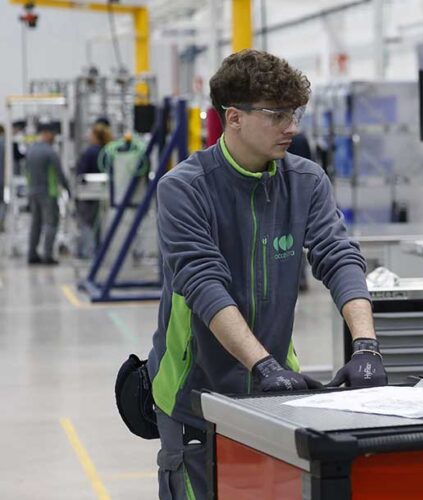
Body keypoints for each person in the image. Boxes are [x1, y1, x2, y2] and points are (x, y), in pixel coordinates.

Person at [146, 49, 387, 500]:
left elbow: (338, 256)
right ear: (233, 118)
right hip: (194, 394)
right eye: (277, 115)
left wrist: (366, 345)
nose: (292, 127)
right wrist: (262, 365)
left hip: (277, 390)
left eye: (294, 113)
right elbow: (203, 283)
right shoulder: (184, 188)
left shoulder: (306, 181)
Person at [24, 123, 70, 265]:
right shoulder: (50, 152)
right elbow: (59, 172)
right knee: (51, 224)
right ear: (47, 134)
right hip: (48, 192)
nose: (54, 137)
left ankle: (32, 254)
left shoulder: (30, 151)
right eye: (53, 134)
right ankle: (47, 255)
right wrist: (68, 188)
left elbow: (26, 172)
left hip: (32, 192)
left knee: (35, 224)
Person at [74, 122, 112, 257]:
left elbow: (81, 172)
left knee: (86, 224)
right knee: (98, 224)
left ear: (96, 135)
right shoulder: (107, 151)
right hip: (103, 193)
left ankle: (87, 253)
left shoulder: (90, 152)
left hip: (87, 193)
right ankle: (98, 252)